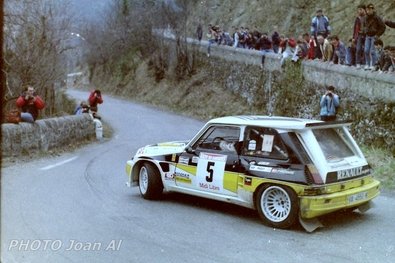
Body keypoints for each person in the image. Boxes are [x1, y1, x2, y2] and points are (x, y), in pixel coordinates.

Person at [364, 4, 386, 70]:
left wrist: (378, 34)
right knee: (366, 50)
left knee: (373, 51)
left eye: (370, 10)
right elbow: (364, 26)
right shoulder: (366, 18)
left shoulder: (377, 17)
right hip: (368, 36)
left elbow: (383, 27)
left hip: (374, 36)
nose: (368, 11)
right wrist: (365, 30)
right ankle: (367, 64)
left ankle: (374, 65)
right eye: (367, 10)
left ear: (373, 10)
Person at [353, 4, 366, 68]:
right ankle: (358, 63)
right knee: (358, 49)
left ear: (364, 10)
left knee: (366, 50)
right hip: (360, 35)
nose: (359, 11)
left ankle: (364, 63)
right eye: (358, 10)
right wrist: (354, 38)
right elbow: (355, 29)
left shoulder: (367, 17)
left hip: (367, 35)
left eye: (361, 9)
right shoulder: (357, 18)